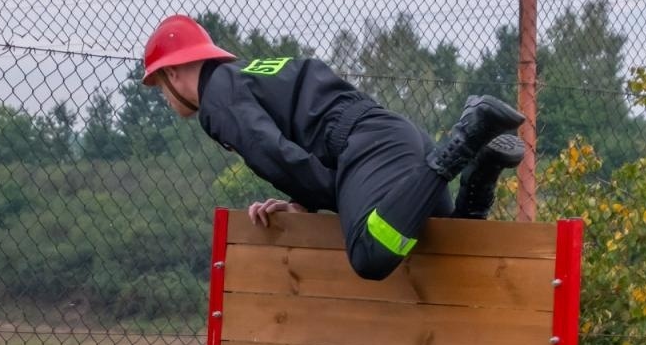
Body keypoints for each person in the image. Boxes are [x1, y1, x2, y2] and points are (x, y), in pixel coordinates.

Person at [141, 14, 526, 281]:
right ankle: (482, 169)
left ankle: (462, 141)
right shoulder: (247, 74)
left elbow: (272, 154)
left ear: (172, 73)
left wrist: (336, 194)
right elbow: (301, 132)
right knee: (438, 242)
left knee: (370, 252)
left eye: (159, 88)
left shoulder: (217, 97)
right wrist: (301, 205)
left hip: (366, 149)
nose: (165, 98)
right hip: (390, 137)